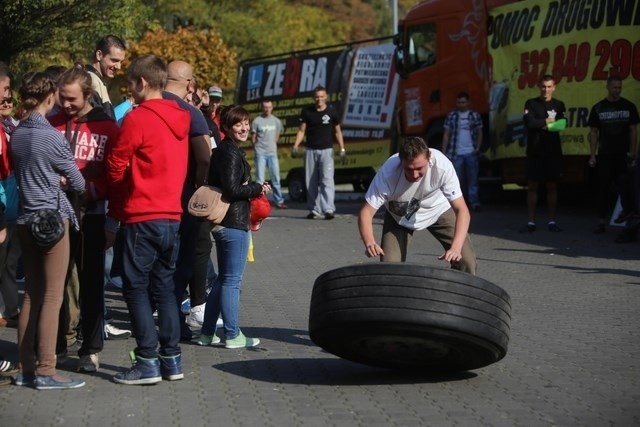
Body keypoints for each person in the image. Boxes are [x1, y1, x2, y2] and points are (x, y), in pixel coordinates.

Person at [106, 54, 190, 385]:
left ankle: (146, 361)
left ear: (142, 83)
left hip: (142, 214)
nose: (129, 91)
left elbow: (115, 165)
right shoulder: (182, 117)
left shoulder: (137, 118)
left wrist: (120, 191)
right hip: (172, 216)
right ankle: (171, 360)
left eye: (130, 84)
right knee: (165, 290)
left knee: (136, 288)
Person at [11, 71, 86, 389]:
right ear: (50, 97)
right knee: (54, 296)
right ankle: (46, 369)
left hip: (25, 219)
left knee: (31, 294)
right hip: (53, 221)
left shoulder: (18, 134)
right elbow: (79, 183)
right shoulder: (52, 137)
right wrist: (63, 181)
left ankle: (26, 367)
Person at [48, 67, 120, 373]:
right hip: (57, 215)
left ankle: (90, 349)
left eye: (72, 99)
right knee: (58, 283)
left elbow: (115, 175)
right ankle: (56, 346)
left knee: (91, 284)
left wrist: (110, 217)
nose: (65, 104)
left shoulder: (106, 126)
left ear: (88, 95)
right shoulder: (52, 123)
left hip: (92, 214)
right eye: (61, 98)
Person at [198, 105, 270, 349]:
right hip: (233, 222)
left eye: (246, 123)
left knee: (221, 280)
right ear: (227, 127)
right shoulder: (229, 152)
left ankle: (207, 333)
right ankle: (232, 334)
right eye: (238, 124)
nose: (244, 128)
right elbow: (232, 189)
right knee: (232, 281)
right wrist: (257, 188)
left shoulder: (226, 150)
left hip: (225, 222)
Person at [358, 136, 477, 274]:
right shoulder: (388, 172)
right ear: (400, 162)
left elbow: (462, 210)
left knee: (467, 261)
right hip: (400, 216)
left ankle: (460, 294)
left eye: (419, 168)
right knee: (389, 268)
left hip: (437, 209)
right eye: (408, 169)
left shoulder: (442, 166)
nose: (414, 174)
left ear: (429, 158)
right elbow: (366, 213)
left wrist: (455, 248)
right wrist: (370, 242)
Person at [163, 61, 213, 340]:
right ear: (190, 83)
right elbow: (204, 156)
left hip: (151, 200)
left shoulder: (144, 108)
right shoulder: (191, 113)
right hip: (184, 197)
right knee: (182, 263)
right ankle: (175, 326)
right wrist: (199, 184)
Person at [587, 76, 639, 234]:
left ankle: (629, 221)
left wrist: (633, 153)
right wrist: (593, 155)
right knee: (603, 188)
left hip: (623, 155)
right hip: (605, 155)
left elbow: (633, 131)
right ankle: (601, 221)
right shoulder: (598, 108)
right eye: (615, 87)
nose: (617, 90)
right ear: (608, 87)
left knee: (627, 189)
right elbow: (594, 133)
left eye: (619, 88)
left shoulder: (629, 106)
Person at [522, 74, 567, 233]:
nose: (546, 90)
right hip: (535, 151)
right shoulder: (531, 103)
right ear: (539, 87)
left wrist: (542, 125)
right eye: (543, 86)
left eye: (549, 86)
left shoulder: (559, 105)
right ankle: (531, 222)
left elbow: (562, 125)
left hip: (552, 152)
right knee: (532, 186)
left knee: (552, 186)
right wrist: (547, 121)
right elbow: (529, 122)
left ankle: (552, 221)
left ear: (554, 87)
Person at [293, 85, 346, 220]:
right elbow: (301, 131)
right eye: (317, 97)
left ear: (326, 97)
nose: (319, 99)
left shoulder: (332, 112)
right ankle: (315, 210)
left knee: (327, 180)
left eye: (322, 96)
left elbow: (337, 132)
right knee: (311, 181)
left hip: (326, 151)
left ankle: (328, 209)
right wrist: (296, 145)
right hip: (310, 150)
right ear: (313, 98)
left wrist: (342, 149)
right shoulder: (307, 112)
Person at [0, 63, 21, 329]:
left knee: (9, 261)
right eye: (5, 89)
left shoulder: (8, 125)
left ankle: (9, 307)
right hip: (3, 204)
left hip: (11, 201)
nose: (8, 97)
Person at [442, 92, 483, 211]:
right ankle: (460, 203)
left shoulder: (474, 115)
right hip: (456, 153)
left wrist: (478, 148)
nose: (461, 104)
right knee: (457, 180)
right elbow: (446, 134)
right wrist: (444, 151)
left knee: (472, 179)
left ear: (468, 102)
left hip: (471, 152)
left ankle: (474, 202)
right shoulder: (452, 116)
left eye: (463, 102)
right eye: (459, 102)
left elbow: (480, 132)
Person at [252, 100, 287, 208]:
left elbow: (277, 134)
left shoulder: (276, 121)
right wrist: (257, 147)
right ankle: (259, 202)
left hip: (272, 153)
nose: (267, 109)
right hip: (260, 153)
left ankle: (279, 201)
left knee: (276, 178)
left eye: (269, 107)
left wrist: (273, 143)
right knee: (260, 180)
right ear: (262, 108)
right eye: (265, 107)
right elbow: (253, 136)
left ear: (272, 108)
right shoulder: (257, 121)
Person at [85, 35, 126, 118]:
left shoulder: (97, 81)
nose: (119, 67)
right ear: (99, 55)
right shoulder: (90, 81)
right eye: (114, 60)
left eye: (121, 62)